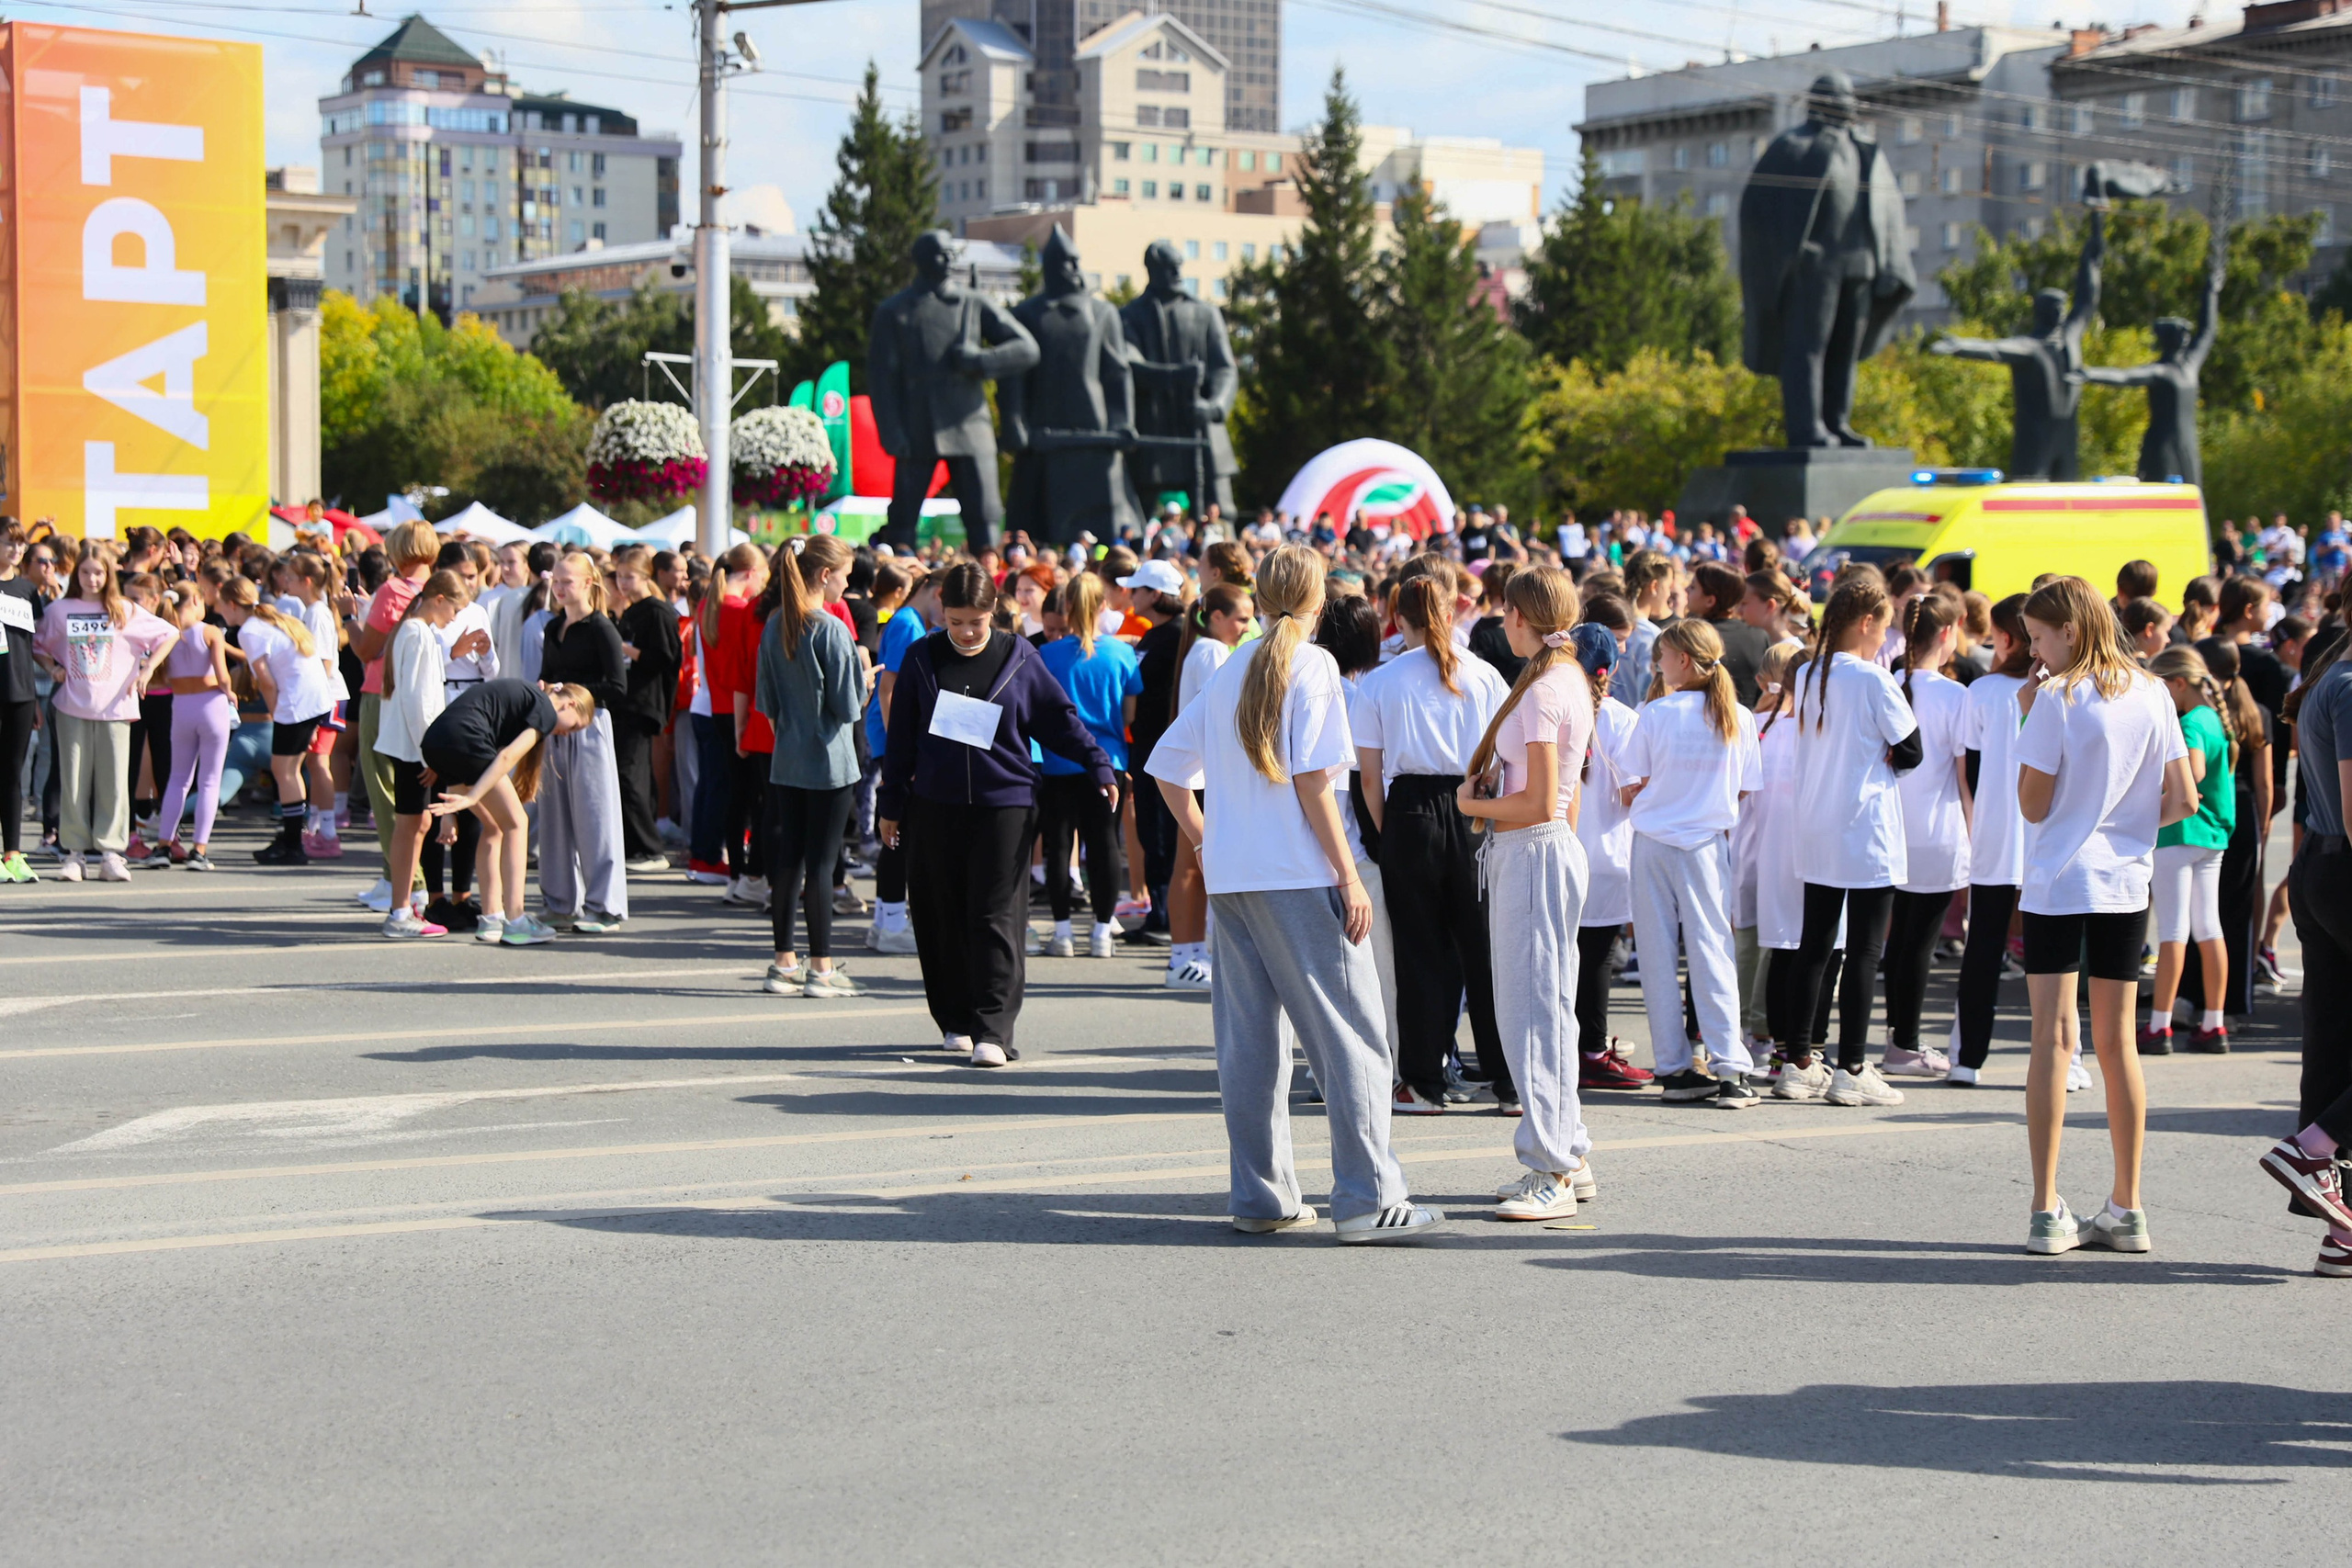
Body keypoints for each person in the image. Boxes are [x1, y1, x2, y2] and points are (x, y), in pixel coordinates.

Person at [1148, 545, 1442, 1242]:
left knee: (1252, 1044)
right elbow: (1315, 781)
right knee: (1355, 1038)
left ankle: (1261, 1194)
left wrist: (1203, 837)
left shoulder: (1232, 667)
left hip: (1235, 876)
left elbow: (1167, 768)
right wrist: (1346, 873)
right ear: (1318, 600)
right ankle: (1369, 1196)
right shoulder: (1311, 665)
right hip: (1298, 873)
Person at [2014, 576, 2195, 1255]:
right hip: (2125, 878)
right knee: (2119, 1045)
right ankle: (2128, 1203)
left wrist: (2028, 713)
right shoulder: (2152, 690)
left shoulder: (2056, 698)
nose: (2035, 651)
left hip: (2060, 878)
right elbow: (2184, 794)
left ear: (2068, 630)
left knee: (2052, 1043)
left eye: (2038, 637)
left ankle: (2045, 1205)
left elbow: (2033, 804)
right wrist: (2132, 823)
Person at [876, 561, 1114, 1068]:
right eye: (954, 620)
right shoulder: (922, 657)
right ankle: (955, 1020)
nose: (964, 632)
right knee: (940, 912)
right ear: (940, 609)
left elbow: (1057, 719)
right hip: (934, 805)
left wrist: (1098, 764)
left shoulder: (1019, 655)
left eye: (975, 622)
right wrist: (891, 802)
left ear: (994, 614)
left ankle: (994, 1028)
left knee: (995, 914)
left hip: (1005, 803)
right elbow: (902, 740)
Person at [1448, 578, 1620, 1213]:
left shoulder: (1548, 685)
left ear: (1519, 615)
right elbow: (1556, 794)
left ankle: (1554, 1170)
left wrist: (1472, 801)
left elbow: (1542, 799)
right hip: (1544, 848)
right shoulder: (1563, 676)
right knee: (1544, 1010)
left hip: (1535, 847)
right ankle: (1566, 1150)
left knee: (1533, 1015)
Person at [1354, 572, 1513, 1114]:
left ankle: (1424, 1082)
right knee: (1484, 948)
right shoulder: (1487, 675)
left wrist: (1384, 831)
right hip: (1473, 804)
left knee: (1421, 952)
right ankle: (1506, 1077)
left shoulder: (1381, 679)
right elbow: (1498, 761)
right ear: (1451, 614)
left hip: (1411, 809)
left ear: (1399, 620)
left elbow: (1369, 778)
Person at [1776, 578, 1922, 1106]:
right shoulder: (1873, 680)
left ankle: (1797, 1060)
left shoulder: (1811, 671)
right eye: (1884, 627)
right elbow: (1912, 750)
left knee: (1814, 944)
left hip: (1817, 823)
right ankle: (1853, 1065)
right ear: (1867, 623)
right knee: (1863, 949)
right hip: (1864, 826)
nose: (1886, 638)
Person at [1619, 617, 1764, 1108]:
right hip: (1705, 843)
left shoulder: (1657, 713)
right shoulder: (1738, 716)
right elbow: (1745, 787)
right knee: (1712, 954)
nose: (1657, 664)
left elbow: (1633, 780)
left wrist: (1662, 796)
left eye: (1662, 655)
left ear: (1682, 659)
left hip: (1654, 842)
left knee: (1658, 958)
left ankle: (1675, 1067)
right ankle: (1730, 1068)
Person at [1951, 595, 2064, 1089]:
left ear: (2008, 637)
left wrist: (1976, 822)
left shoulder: (1983, 691)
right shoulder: (2062, 690)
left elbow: (1969, 771)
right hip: (2046, 836)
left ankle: (1966, 1059)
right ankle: (2067, 1059)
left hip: (1996, 835)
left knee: (1984, 948)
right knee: (2054, 958)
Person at [754, 536, 865, 998]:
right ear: (825, 575)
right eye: (844, 575)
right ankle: (821, 967)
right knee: (822, 864)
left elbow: (767, 701)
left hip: (788, 757)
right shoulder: (831, 629)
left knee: (789, 861)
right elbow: (846, 706)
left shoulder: (776, 622)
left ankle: (784, 962)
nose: (846, 584)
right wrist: (864, 678)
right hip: (829, 761)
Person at [33, 547, 176, 882]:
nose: (92, 579)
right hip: (72, 707)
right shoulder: (59, 610)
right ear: (77, 574)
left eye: (98, 572)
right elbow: (38, 644)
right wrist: (52, 668)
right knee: (74, 780)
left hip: (116, 707)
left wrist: (147, 670)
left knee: (113, 783)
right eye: (85, 572)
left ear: (109, 574)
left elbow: (168, 633)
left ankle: (111, 853)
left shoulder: (124, 609)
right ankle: (74, 854)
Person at [422, 679, 597, 946]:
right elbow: (506, 758)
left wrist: (450, 813)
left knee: (493, 826)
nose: (567, 734)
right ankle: (516, 921)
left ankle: (491, 917)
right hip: (464, 741)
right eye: (573, 726)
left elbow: (459, 743)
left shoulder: (525, 700)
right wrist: (473, 797)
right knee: (518, 823)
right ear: (570, 704)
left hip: (436, 742)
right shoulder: (546, 710)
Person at [1881, 592, 1972, 1079]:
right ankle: (1905, 1041)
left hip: (1892, 829)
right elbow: (1964, 776)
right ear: (1945, 633)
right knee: (1919, 943)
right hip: (1937, 834)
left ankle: (1900, 1037)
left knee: (1898, 941)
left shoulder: (1887, 683)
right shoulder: (1956, 695)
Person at [1035, 570, 1143, 957]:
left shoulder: (1047, 654)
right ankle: (1100, 930)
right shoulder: (1123, 653)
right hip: (1109, 759)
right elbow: (1129, 714)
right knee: (1104, 845)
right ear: (1103, 606)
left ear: (1066, 607)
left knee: (1059, 846)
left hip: (1058, 760)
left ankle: (1062, 930)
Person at [1566, 616, 1655, 1091]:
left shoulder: (1555, 708)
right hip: (1608, 855)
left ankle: (1569, 1046)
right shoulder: (1623, 719)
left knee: (1565, 957)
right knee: (1597, 957)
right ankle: (1592, 1050)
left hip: (1563, 848)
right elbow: (1629, 794)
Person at [2142, 647, 2235, 1053]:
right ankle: (2214, 1022)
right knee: (2208, 927)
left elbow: (2192, 773)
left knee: (2174, 932)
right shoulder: (2213, 717)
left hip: (2179, 834)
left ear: (2178, 683)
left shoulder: (2190, 723)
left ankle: (2159, 1024)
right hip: (2212, 835)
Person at [1165, 581, 1254, 988]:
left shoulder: (1206, 649)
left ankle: (1192, 953)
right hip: (1200, 771)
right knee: (1190, 865)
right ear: (1215, 617)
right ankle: (1183, 956)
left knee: (1198, 866)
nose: (1245, 626)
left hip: (1200, 769)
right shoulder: (1213, 651)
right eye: (1240, 618)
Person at [537, 552, 630, 933]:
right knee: (554, 820)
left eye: (567, 581)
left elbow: (617, 687)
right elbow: (546, 675)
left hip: (590, 726)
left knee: (596, 818)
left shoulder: (601, 628)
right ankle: (561, 903)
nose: (559, 588)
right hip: (555, 729)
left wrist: (567, 692)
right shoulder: (552, 627)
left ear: (589, 583)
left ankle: (605, 906)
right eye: (555, 581)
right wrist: (547, 689)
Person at [350, 521, 440, 911]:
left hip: (381, 692)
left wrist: (349, 619)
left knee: (385, 791)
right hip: (426, 694)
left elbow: (366, 649)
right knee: (408, 789)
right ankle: (394, 876)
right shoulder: (437, 590)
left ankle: (405, 879)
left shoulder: (394, 589)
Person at [220, 576, 335, 867]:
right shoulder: (270, 621)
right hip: (314, 698)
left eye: (221, 606)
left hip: (297, 703)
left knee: (284, 771)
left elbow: (267, 682)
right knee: (288, 769)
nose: (220, 611)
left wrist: (276, 714)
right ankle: (292, 836)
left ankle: (294, 842)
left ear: (232, 605)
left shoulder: (249, 630)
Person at [374, 572, 465, 939]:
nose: (455, 616)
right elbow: (415, 698)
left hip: (414, 743)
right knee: (411, 825)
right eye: (455, 607)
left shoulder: (417, 630)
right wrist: (430, 754)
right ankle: (399, 911)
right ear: (439, 598)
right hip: (415, 745)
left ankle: (405, 903)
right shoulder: (415, 631)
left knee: (418, 824)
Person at [865, 566, 940, 955]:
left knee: (895, 828)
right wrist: (901, 748)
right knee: (898, 829)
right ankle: (891, 921)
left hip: (895, 740)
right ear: (929, 589)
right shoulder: (909, 624)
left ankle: (884, 920)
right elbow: (889, 689)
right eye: (944, 598)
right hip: (896, 741)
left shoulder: (907, 620)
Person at [150, 585, 233, 873]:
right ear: (197, 600)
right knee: (209, 780)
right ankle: (199, 850)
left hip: (181, 707)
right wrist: (232, 692)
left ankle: (163, 844)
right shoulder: (210, 632)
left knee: (178, 779)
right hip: (212, 707)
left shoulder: (168, 634)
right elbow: (222, 676)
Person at [613, 546, 683, 874]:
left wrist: (626, 649)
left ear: (645, 577)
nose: (623, 583)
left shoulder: (656, 611)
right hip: (628, 699)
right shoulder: (632, 610)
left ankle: (650, 847)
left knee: (630, 773)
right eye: (620, 576)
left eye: (630, 577)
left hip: (645, 700)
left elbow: (666, 658)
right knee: (633, 774)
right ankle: (637, 843)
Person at [0, 524, 44, 883]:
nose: (16, 550)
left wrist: (51, 674)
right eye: (9, 543)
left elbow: (34, 644)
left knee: (12, 774)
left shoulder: (28, 590)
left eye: (20, 544)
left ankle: (12, 853)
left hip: (20, 692)